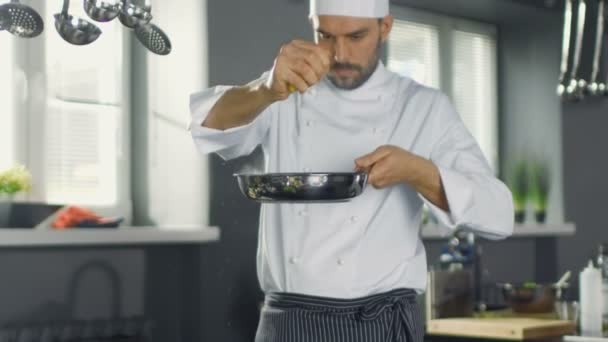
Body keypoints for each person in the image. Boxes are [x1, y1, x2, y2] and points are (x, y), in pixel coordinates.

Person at [189, 0, 514, 340]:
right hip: (289, 323)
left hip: (381, 324)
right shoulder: (284, 91)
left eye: (356, 36)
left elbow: (499, 214)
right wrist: (265, 90)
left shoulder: (423, 108)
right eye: (325, 35)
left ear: (385, 27)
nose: (340, 53)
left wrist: (417, 171)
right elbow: (203, 126)